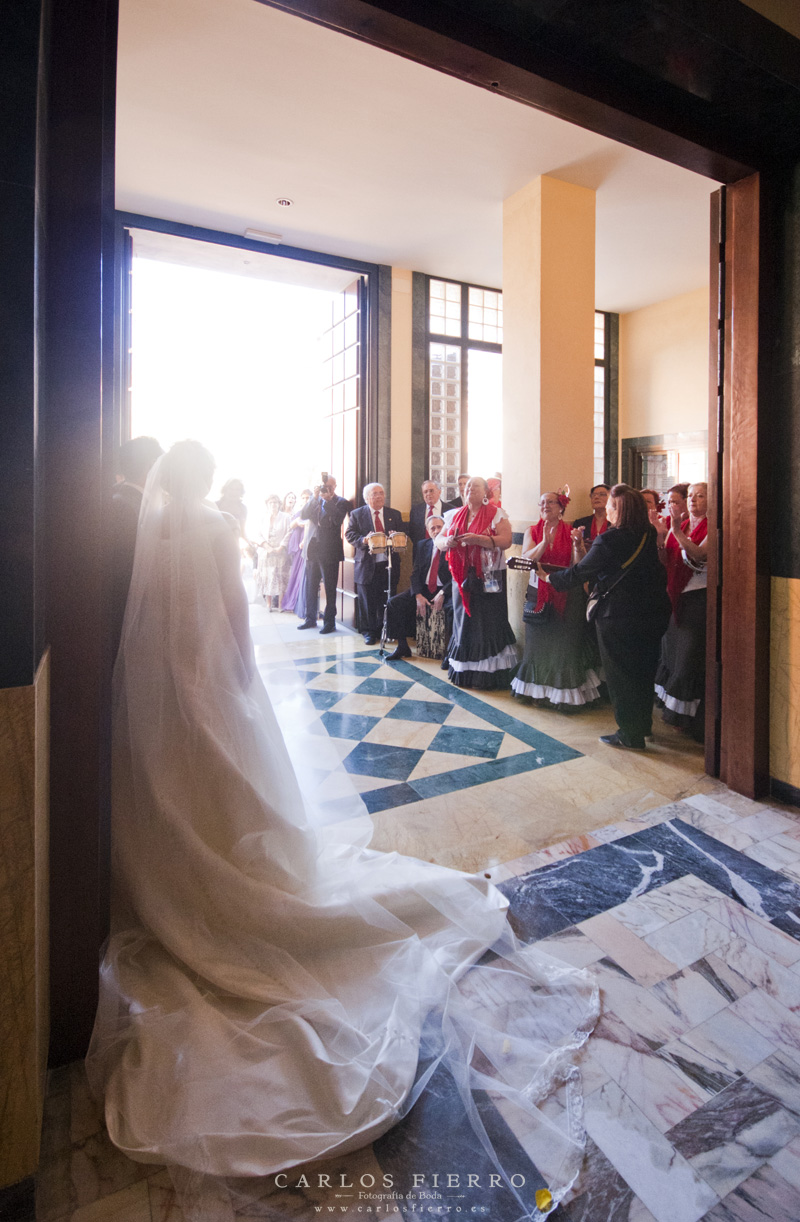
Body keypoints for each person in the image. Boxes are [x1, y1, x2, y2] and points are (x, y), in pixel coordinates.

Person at [87, 439, 597, 1208]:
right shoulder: (215, 530)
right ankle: (241, 875)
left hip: (160, 691)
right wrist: (240, 685)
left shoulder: (148, 530)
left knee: (179, 795)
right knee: (235, 792)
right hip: (208, 681)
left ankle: (184, 886)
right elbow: (232, 618)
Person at [543, 484, 670, 749]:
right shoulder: (646, 532)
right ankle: (642, 726)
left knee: (621, 675)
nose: (607, 509)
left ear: (619, 510)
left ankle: (629, 734)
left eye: (611, 505)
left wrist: (550, 578)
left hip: (619, 616)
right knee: (643, 671)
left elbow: (581, 572)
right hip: (651, 613)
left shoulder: (610, 538)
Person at [511, 491, 601, 709]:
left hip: (568, 595)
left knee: (563, 647)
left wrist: (578, 547)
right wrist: (543, 543)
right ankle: (537, 692)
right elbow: (526, 558)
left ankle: (561, 697)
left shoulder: (572, 532)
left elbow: (578, 566)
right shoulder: (531, 531)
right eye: (542, 502)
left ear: (561, 507)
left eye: (550, 502)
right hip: (538, 595)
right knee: (537, 646)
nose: (545, 506)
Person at [438, 476, 517, 688]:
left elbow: (506, 540)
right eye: (467, 486)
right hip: (462, 576)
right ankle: (465, 670)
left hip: (490, 576)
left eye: (475, 486)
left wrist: (481, 540)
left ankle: (490, 674)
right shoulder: (454, 515)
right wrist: (447, 541)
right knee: (465, 619)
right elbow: (439, 540)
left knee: (488, 619)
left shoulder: (496, 514)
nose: (469, 489)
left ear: (486, 493)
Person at [655, 481, 708, 740]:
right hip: (675, 597)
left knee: (688, 656)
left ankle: (687, 717)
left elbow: (698, 554)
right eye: (692, 497)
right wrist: (660, 533)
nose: (694, 501)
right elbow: (666, 557)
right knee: (672, 652)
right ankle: (672, 709)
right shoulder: (684, 524)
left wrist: (675, 531)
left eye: (700, 496)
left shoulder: (714, 527)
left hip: (697, 598)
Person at [109, 435, 163, 659]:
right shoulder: (126, 506)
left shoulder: (126, 498)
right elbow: (128, 570)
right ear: (151, 466)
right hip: (130, 617)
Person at [384, 515, 453, 660]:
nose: (436, 531)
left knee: (453, 610)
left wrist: (443, 593)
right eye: (432, 528)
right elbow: (415, 573)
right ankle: (402, 646)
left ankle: (450, 653)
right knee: (394, 603)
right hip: (424, 589)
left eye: (439, 527)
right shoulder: (423, 545)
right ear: (428, 531)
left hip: (445, 590)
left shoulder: (450, 546)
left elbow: (455, 576)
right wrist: (417, 595)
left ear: (445, 528)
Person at [345, 482, 405, 644]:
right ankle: (369, 632)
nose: (379, 496)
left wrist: (396, 535)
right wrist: (363, 540)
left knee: (386, 599)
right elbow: (349, 534)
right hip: (366, 565)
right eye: (374, 494)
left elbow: (402, 535)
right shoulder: (357, 514)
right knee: (367, 600)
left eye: (381, 493)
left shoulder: (394, 514)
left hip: (389, 565)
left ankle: (385, 630)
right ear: (366, 498)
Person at [297, 477, 349, 634]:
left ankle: (330, 622)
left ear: (334, 487)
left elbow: (337, 520)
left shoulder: (341, 502)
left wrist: (328, 501)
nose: (326, 489)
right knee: (311, 586)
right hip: (313, 549)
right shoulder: (316, 500)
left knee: (330, 588)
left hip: (330, 552)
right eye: (323, 487)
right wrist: (315, 497)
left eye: (329, 487)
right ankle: (310, 618)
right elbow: (304, 515)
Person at [255, 495, 291, 609]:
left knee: (280, 577)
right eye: (270, 503)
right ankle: (269, 604)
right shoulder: (263, 518)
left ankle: (281, 604)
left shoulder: (285, 517)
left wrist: (281, 546)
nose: (273, 505)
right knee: (268, 577)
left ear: (279, 504)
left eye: (275, 502)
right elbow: (257, 534)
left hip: (280, 551)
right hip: (266, 552)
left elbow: (289, 532)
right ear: (267, 505)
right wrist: (266, 547)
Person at [280, 488, 311, 614]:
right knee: (295, 575)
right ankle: (292, 601)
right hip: (299, 548)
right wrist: (297, 522)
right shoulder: (299, 513)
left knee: (303, 576)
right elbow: (291, 525)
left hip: (308, 546)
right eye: (303, 498)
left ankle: (300, 604)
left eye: (307, 497)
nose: (305, 500)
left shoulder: (313, 512)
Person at [407, 478, 459, 544]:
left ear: (439, 492)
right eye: (425, 492)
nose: (428, 494)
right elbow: (412, 533)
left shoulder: (451, 510)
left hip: (444, 549)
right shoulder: (416, 510)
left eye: (431, 491)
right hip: (422, 550)